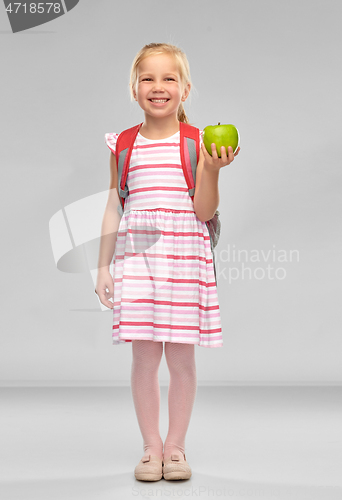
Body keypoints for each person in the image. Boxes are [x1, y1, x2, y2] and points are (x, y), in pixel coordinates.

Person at [95, 42, 240, 481]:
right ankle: (150, 448)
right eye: (148, 78)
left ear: (186, 89)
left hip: (183, 261)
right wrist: (102, 267)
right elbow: (113, 205)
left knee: (180, 359)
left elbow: (203, 212)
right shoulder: (122, 144)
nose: (158, 87)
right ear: (134, 90)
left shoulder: (196, 142)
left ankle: (175, 447)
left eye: (169, 78)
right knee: (143, 358)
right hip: (138, 261)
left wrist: (212, 171)